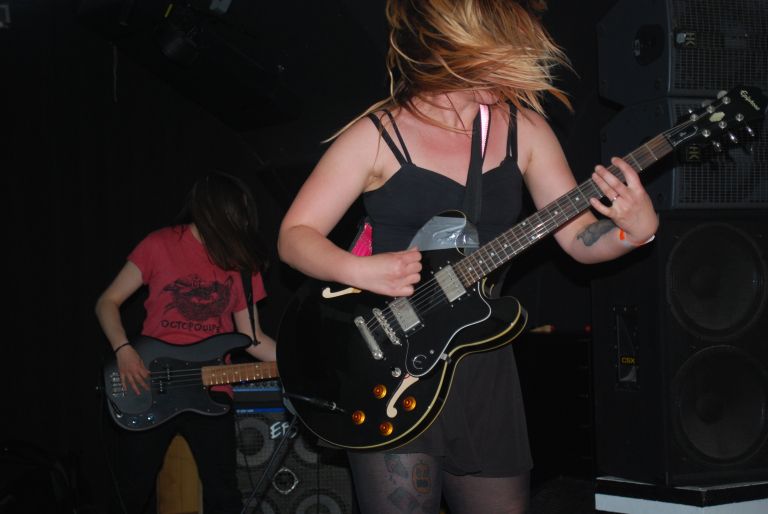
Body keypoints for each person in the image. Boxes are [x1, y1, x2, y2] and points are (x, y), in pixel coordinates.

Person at [277, 1, 658, 513]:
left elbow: (577, 238)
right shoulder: (378, 135)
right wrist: (359, 269)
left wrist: (635, 231)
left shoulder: (525, 129)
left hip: (482, 360)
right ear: (455, 51)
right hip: (391, 364)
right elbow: (294, 236)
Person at [95, 172, 277, 514]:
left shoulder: (242, 263)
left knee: (224, 495)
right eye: (236, 212)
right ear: (213, 209)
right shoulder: (159, 244)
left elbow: (253, 340)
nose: (241, 221)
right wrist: (123, 350)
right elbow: (107, 302)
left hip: (211, 391)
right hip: (149, 382)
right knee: (131, 492)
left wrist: (295, 361)